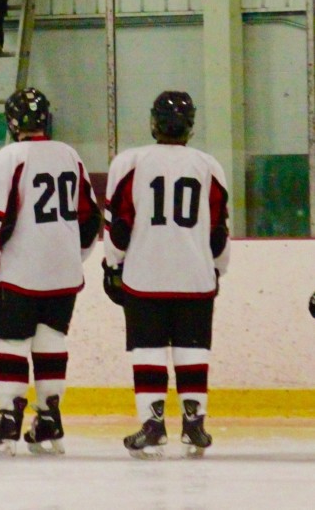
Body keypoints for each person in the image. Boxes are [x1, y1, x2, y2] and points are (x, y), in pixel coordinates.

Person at [0, 88, 101, 455]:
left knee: (12, 342)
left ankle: (8, 419)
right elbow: (91, 218)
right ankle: (49, 419)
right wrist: (74, 256)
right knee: (51, 340)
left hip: (21, 270)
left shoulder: (8, 158)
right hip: (64, 271)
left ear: (11, 123)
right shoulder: (70, 155)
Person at [103, 91, 230, 458]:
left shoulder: (130, 162)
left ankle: (153, 425)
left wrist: (114, 265)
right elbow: (218, 230)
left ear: (153, 122)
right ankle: (194, 424)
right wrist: (217, 269)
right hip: (195, 275)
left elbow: (118, 228)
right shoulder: (209, 165)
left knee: (148, 349)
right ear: (191, 125)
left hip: (145, 275)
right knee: (193, 349)